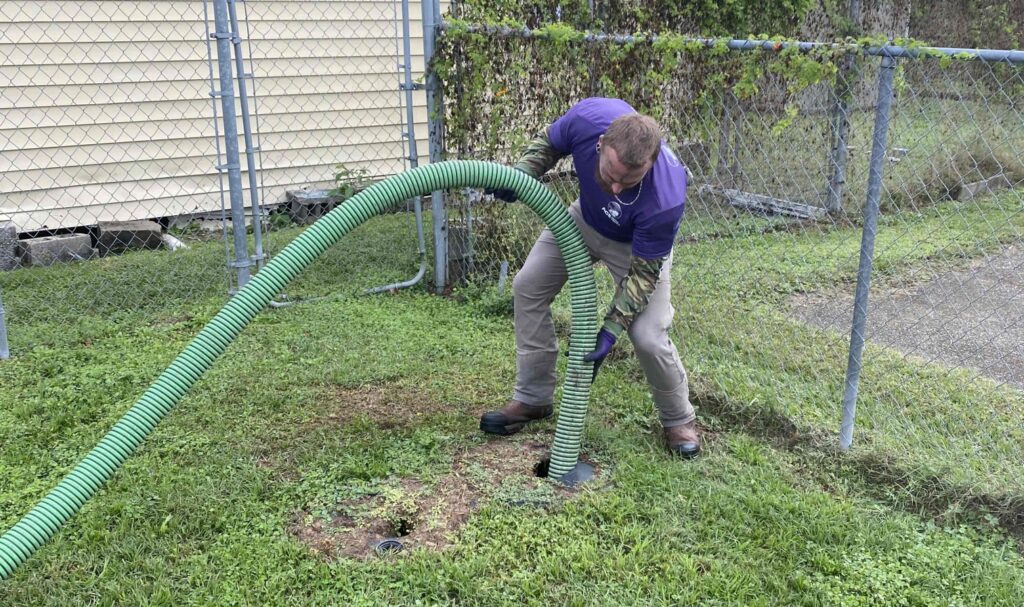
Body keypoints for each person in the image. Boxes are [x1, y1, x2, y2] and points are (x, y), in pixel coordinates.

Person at [478, 97, 700, 458]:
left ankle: (679, 420)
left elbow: (643, 276)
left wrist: (610, 331)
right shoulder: (588, 119)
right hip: (583, 220)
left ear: (651, 161)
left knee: (647, 334)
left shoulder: (665, 197)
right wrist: (521, 176)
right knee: (528, 287)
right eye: (611, 175)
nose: (616, 188)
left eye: (630, 180)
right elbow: (549, 144)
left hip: (635, 247)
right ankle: (533, 399)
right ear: (600, 145)